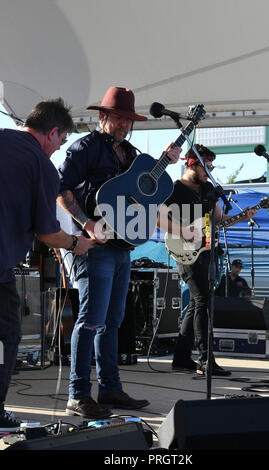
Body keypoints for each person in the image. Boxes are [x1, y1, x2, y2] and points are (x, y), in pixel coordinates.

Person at [57, 86, 181, 419]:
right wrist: (86, 224)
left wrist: (164, 164)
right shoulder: (83, 148)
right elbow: (61, 190)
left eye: (129, 119)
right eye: (119, 118)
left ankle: (110, 388)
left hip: (123, 246)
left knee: (112, 321)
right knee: (91, 320)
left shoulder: (131, 153)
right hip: (95, 246)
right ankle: (78, 394)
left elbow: (141, 196)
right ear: (102, 116)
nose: (124, 125)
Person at [0, 98, 95, 432]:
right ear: (53, 132)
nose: (59, 148)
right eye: (62, 140)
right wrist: (77, 243)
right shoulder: (40, 163)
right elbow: (48, 232)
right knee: (6, 334)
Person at [157, 144, 257, 376]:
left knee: (195, 303)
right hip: (185, 250)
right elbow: (158, 218)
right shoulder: (173, 190)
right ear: (190, 163)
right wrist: (184, 231)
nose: (208, 170)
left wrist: (243, 217)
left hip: (208, 251)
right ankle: (205, 359)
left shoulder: (210, 190)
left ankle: (181, 358)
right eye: (205, 166)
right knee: (202, 301)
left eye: (210, 166)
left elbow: (220, 220)